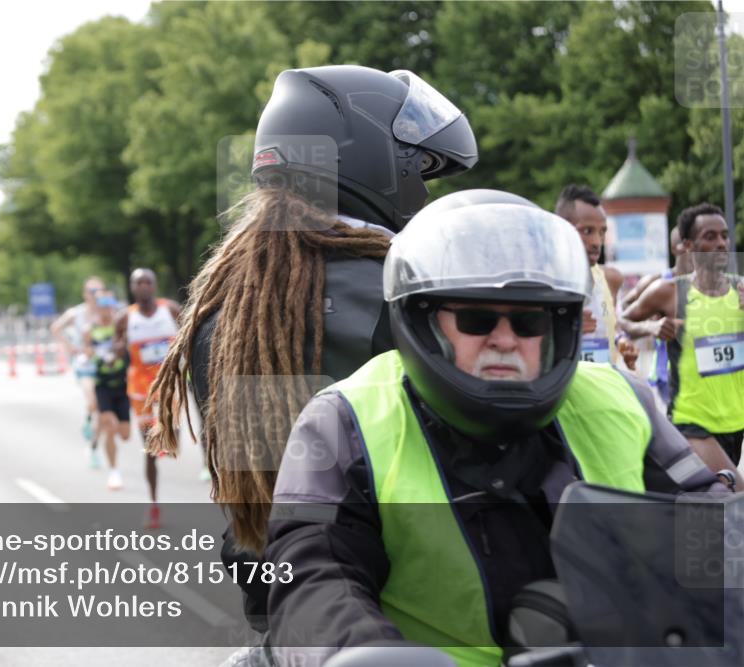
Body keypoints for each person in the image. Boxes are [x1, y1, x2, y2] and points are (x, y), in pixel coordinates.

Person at [264, 191, 736, 667]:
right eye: (477, 319)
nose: (506, 340)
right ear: (421, 320)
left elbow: (705, 518)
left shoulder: (619, 399)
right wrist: (362, 653)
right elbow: (311, 573)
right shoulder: (348, 419)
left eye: (529, 321)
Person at [147, 65, 478, 647]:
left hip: (282, 604)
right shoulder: (401, 288)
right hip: (409, 612)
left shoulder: (228, 302)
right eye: (417, 168)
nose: (424, 192)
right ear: (374, 160)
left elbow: (253, 483)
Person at [620, 203, 744, 468]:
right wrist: (651, 328)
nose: (721, 243)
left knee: (706, 505)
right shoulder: (671, 292)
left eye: (724, 235)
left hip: (736, 420)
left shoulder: (741, 289)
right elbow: (625, 320)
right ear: (688, 245)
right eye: (710, 237)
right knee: (735, 497)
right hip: (692, 421)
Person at [114, 268, 180, 529]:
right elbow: (117, 348)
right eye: (138, 283)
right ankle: (154, 505)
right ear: (132, 288)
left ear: (154, 285)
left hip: (168, 385)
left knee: (172, 431)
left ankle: (167, 436)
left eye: (147, 282)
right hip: (140, 389)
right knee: (150, 451)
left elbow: (191, 332)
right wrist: (119, 348)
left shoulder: (171, 310)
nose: (143, 286)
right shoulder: (124, 318)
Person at [554, 184, 637, 370]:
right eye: (587, 231)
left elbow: (611, 326)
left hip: (604, 386)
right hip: (563, 391)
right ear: (562, 229)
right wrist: (566, 329)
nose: (596, 242)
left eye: (602, 232)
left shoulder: (611, 280)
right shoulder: (546, 282)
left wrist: (621, 341)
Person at [620, 226, 695, 407]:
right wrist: (651, 323)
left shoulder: (707, 283)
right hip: (668, 371)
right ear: (675, 248)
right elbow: (626, 309)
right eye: (687, 244)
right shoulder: (657, 282)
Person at [51, 276, 106, 466]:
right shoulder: (77, 313)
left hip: (104, 364)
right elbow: (56, 328)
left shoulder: (106, 313)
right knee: (92, 400)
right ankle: (89, 417)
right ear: (85, 294)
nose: (96, 295)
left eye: (100, 291)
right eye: (92, 291)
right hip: (84, 365)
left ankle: (93, 448)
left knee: (101, 410)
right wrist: (70, 348)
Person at [83, 290, 130, 491]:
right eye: (102, 306)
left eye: (109, 306)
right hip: (102, 385)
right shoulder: (90, 330)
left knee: (125, 434)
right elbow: (86, 354)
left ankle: (103, 446)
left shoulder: (121, 328)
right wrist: (93, 354)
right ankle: (114, 472)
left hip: (123, 384)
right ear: (97, 307)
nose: (106, 310)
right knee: (109, 427)